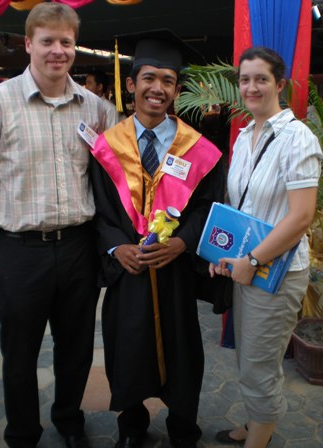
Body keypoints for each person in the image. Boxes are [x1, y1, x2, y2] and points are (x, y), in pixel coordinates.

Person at [89, 30, 224, 448]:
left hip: (175, 270)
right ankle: (132, 425)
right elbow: (96, 209)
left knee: (183, 350)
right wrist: (117, 246)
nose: (157, 88)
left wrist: (183, 242)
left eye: (168, 81)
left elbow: (208, 206)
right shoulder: (106, 148)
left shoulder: (198, 150)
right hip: (129, 271)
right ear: (131, 85)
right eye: (149, 78)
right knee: (127, 346)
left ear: (177, 90)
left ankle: (184, 426)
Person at [0, 3, 106, 448]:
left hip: (78, 247)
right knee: (18, 355)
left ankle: (69, 419)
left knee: (75, 349)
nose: (58, 51)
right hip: (20, 250)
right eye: (48, 41)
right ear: (28, 44)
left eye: (66, 42)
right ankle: (22, 432)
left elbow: (112, 178)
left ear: (75, 46)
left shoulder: (94, 109)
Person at [209, 47, 322, 448]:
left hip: (275, 273)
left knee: (259, 365)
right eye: (244, 79)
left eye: (260, 79)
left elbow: (301, 216)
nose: (251, 87)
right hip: (246, 267)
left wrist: (252, 259)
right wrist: (223, 254)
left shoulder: (297, 138)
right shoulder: (244, 136)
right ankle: (255, 423)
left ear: (279, 83)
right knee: (250, 359)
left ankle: (259, 439)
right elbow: (241, 208)